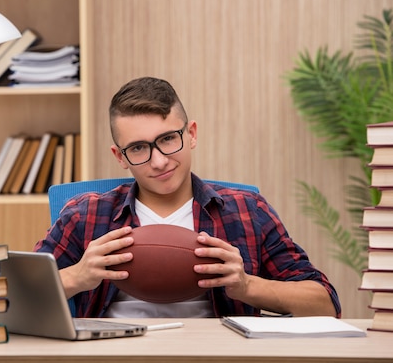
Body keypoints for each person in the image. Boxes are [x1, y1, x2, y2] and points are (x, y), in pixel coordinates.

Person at [34, 76, 341, 318]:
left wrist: (247, 285)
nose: (159, 161)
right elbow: (12, 298)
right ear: (120, 156)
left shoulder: (247, 210)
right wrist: (77, 276)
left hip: (217, 357)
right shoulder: (84, 215)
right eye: (138, 148)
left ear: (191, 134)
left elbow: (326, 304)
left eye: (168, 139)